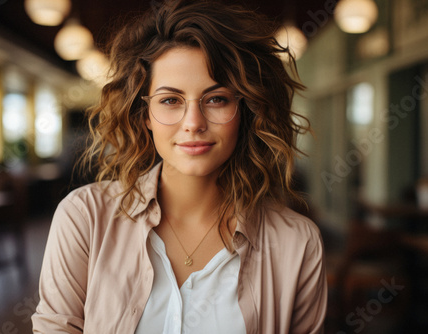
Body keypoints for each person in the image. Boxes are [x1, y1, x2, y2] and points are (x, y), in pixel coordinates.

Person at [32, 0, 327, 333]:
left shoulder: (297, 243)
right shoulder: (85, 217)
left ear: (244, 110)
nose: (193, 123)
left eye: (216, 99)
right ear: (144, 115)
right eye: (170, 100)